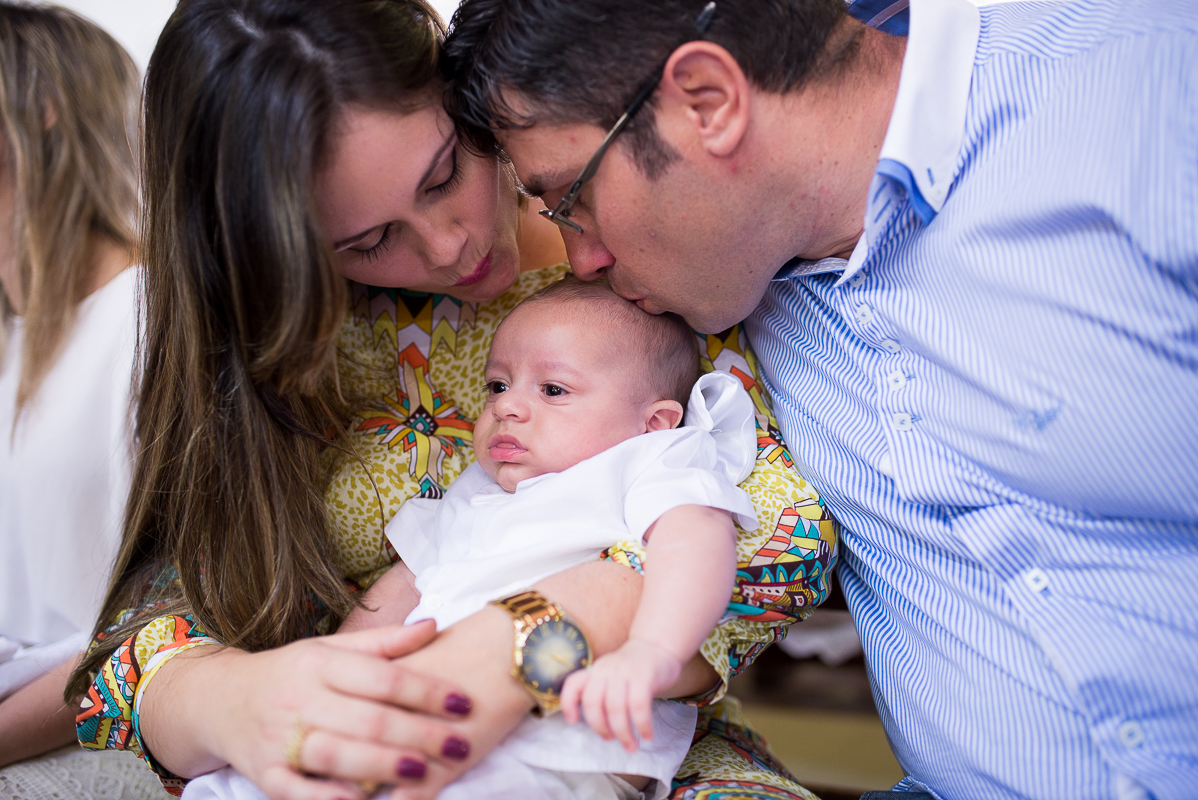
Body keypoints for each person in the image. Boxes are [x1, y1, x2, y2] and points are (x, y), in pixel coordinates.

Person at [67, 2, 838, 799]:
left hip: (620, 746)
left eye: (444, 176)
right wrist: (231, 702)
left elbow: (777, 535)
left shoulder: (639, 272)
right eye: (366, 242)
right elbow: (141, 639)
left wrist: (534, 636)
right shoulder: (293, 354)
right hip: (372, 737)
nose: (448, 245)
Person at [442, 0, 1198, 799]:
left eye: (572, 200)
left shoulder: (1149, 95)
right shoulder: (719, 301)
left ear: (709, 101)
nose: (579, 257)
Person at [187, 276, 762, 800]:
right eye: (498, 384)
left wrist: (654, 650)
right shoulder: (477, 488)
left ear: (653, 421)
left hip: (560, 739)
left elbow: (695, 543)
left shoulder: (651, 460)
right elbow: (404, 584)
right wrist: (336, 672)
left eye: (554, 390)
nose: (508, 406)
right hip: (421, 707)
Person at [0, 3, 163, 793]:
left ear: (40, 110)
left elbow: (168, 619)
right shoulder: (15, 342)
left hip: (94, 743)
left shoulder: (152, 318)